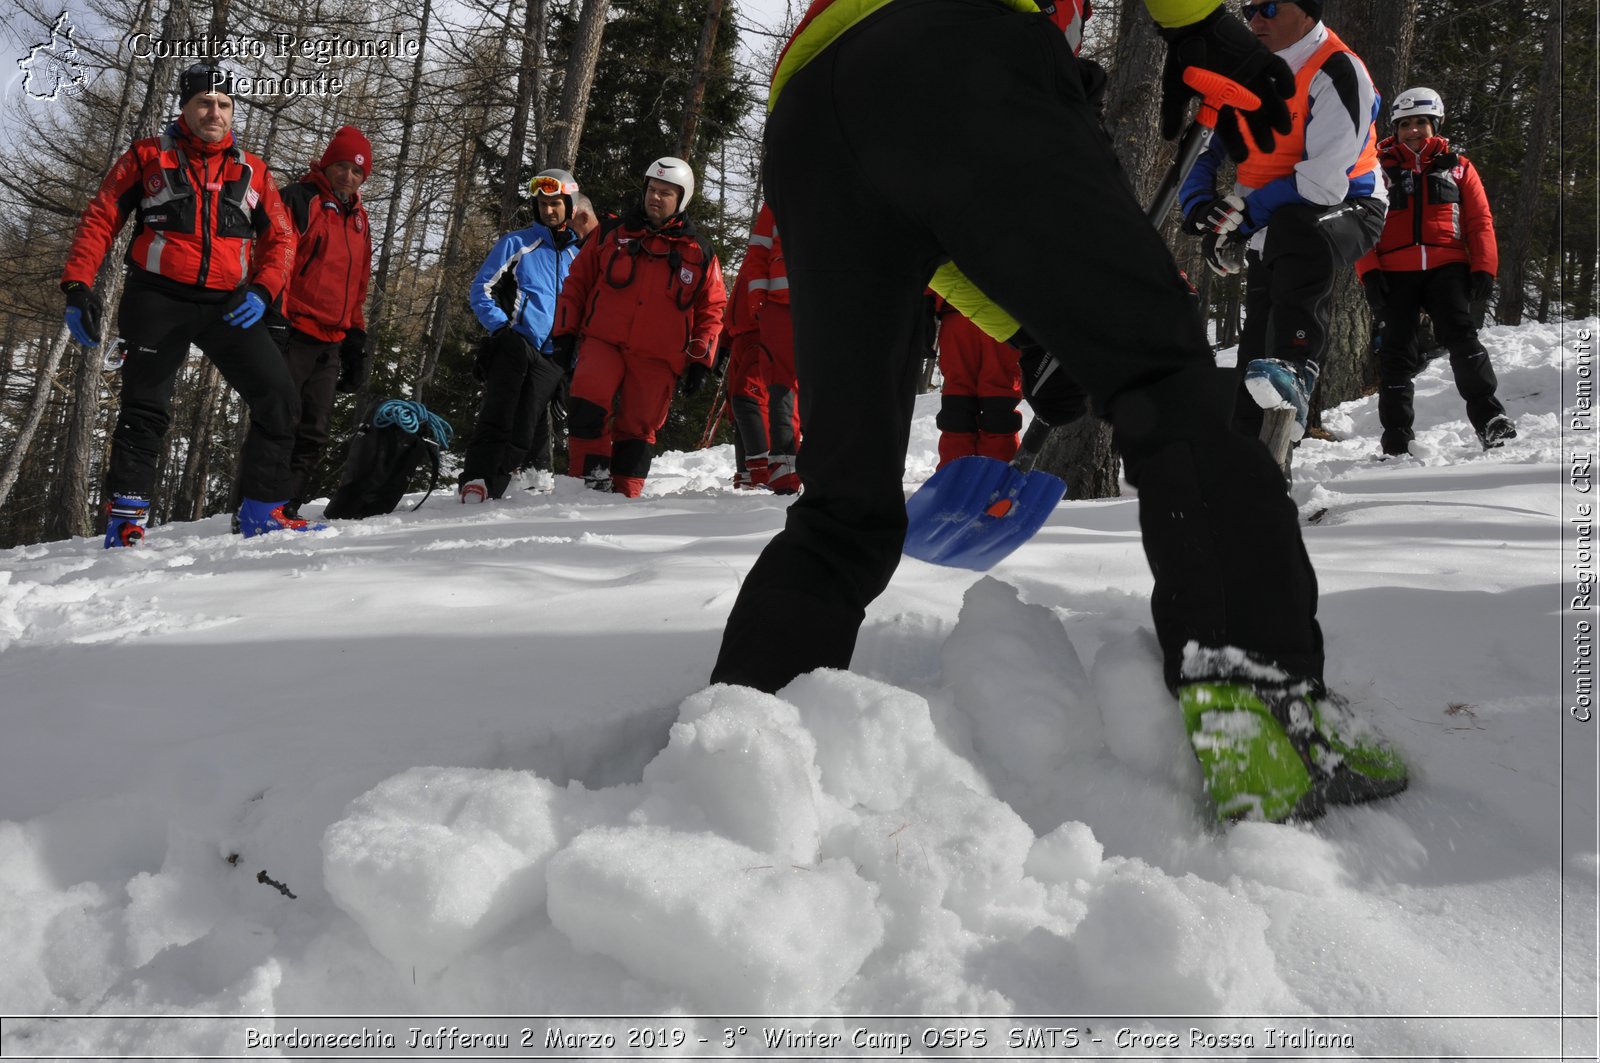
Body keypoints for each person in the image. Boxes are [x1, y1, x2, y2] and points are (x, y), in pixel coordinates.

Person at [707, 0, 1407, 823]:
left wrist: (1031, 328)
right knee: (1164, 377)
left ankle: (726, 760)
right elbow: (948, 127)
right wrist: (1191, 20)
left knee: (843, 499)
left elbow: (914, 215)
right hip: (962, 47)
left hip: (808, 114)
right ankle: (1269, 728)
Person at [60, 63, 312, 544]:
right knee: (146, 406)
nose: (213, 111)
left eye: (223, 104)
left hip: (230, 304)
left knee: (279, 397)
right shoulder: (146, 156)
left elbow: (281, 239)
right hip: (158, 298)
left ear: (232, 112)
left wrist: (263, 291)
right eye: (204, 102)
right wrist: (77, 285)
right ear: (185, 107)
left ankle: (262, 511)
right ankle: (127, 521)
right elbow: (100, 218)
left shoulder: (253, 169)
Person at [1178, 0, 1386, 465]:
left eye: (1270, 7)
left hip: (1350, 205)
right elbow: (1207, 143)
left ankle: (1298, 364)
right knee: (1254, 354)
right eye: (1250, 9)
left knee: (1299, 229)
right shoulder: (1246, 70)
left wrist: (1241, 218)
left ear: (1307, 12)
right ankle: (1254, 481)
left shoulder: (1337, 68)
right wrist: (1200, 207)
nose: (1255, 20)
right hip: (1272, 222)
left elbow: (1324, 181)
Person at [552, 157, 726, 497]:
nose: (655, 197)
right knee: (587, 403)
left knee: (637, 428)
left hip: (658, 357)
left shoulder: (699, 251)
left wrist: (702, 362)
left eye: (665, 193)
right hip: (604, 341)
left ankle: (624, 498)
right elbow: (577, 284)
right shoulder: (611, 233)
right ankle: (588, 485)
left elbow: (712, 308)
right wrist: (564, 334)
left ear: (682, 199)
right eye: (651, 189)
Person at [1356, 87, 1516, 455]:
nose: (1413, 131)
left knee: (1461, 336)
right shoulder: (1378, 170)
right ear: (1395, 129)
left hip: (1448, 266)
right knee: (1396, 351)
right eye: (1406, 124)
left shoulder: (1459, 166)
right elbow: (1362, 223)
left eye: (1421, 123)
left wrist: (1484, 267)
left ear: (1436, 125)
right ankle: (1396, 438)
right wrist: (1369, 272)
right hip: (1393, 271)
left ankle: (1490, 419)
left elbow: (1480, 221)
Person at [230, 125, 374, 529]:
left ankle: (285, 509)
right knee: (278, 421)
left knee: (314, 430)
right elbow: (277, 259)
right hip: (293, 331)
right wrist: (274, 316)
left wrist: (355, 338)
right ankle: (252, 508)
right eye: (341, 167)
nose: (347, 177)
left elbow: (359, 285)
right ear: (326, 165)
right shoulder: (300, 199)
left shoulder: (360, 219)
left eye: (357, 171)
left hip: (332, 339)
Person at [461, 169, 584, 501]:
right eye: (543, 204)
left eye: (556, 204)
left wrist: (569, 365)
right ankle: (477, 479)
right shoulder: (517, 243)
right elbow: (481, 289)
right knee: (498, 412)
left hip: (553, 355)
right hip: (517, 343)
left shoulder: (578, 256)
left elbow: (582, 315)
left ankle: (506, 481)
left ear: (569, 207)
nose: (548, 210)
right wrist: (501, 329)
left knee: (527, 424)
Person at [730, 202, 801, 493]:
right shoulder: (777, 197)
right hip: (769, 311)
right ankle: (777, 470)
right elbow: (757, 252)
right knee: (771, 391)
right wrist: (759, 296)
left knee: (752, 397)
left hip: (816, 303)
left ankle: (768, 468)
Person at [932, 296, 1023, 468]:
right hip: (1000, 308)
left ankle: (956, 474)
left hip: (961, 306)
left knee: (978, 402)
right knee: (991, 400)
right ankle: (995, 475)